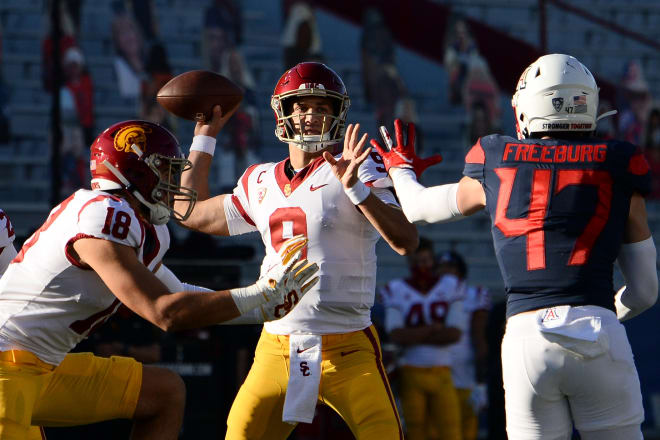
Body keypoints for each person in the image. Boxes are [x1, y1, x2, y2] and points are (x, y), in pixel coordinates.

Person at [372, 53, 658, 440]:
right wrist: (599, 314)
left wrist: (399, 167)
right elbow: (644, 292)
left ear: (527, 108)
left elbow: (418, 208)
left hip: (526, 338)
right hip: (597, 332)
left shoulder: (497, 157)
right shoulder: (618, 161)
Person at [0, 120, 319, 439]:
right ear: (134, 170)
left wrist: (264, 306)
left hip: (42, 366)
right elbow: (165, 311)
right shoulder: (103, 214)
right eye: (165, 170)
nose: (173, 181)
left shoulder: (134, 223)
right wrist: (260, 296)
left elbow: (179, 292)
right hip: (7, 367)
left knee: (164, 393)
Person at [175, 61, 418, 439]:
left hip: (349, 348)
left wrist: (357, 189)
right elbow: (189, 212)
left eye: (322, 109)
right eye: (302, 106)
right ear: (284, 111)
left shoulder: (358, 166)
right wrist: (205, 135)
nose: (310, 116)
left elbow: (406, 241)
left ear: (337, 115)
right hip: (277, 346)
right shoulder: (259, 180)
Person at [380, 238, 464, 440]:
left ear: (433, 261)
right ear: (409, 263)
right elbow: (396, 335)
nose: (422, 267)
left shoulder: (450, 285)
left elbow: (454, 333)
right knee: (416, 432)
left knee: (451, 431)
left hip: (443, 370)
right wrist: (433, 329)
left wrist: (415, 335)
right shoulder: (396, 289)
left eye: (426, 261)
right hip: (411, 371)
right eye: (418, 262)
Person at [439, 251, 490, 440]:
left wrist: (480, 383)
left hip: (464, 367)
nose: (445, 272)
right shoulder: (429, 294)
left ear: (460, 271)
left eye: (450, 267)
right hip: (438, 366)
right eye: (441, 268)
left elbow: (479, 337)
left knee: (466, 426)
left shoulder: (474, 294)